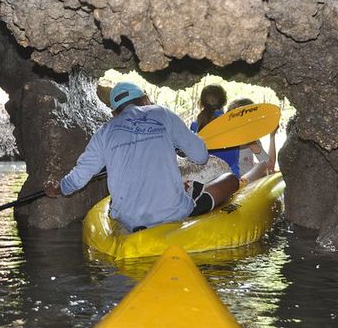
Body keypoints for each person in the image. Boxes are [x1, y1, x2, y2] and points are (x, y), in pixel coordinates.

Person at [44, 82, 239, 233]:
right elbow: (201, 156)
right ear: (145, 100)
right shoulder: (162, 113)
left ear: (114, 112)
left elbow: (78, 178)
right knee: (230, 180)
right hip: (174, 213)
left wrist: (58, 188)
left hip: (129, 221)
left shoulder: (104, 131)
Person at [189, 84, 240, 177]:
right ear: (225, 102)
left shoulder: (195, 125)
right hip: (230, 178)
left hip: (204, 178)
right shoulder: (234, 123)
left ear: (201, 102)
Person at [227, 98, 277, 175]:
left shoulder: (226, 138)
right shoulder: (250, 141)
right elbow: (270, 166)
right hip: (244, 183)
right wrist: (272, 136)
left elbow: (269, 165)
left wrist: (272, 135)